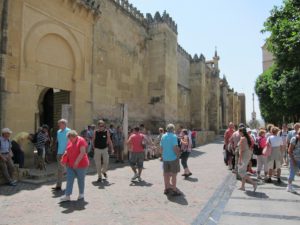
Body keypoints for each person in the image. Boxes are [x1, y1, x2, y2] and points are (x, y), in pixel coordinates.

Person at [60, 130, 89, 202]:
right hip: (70, 165)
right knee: (69, 179)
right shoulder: (70, 141)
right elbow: (67, 151)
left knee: (80, 180)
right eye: (69, 139)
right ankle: (67, 195)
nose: (70, 140)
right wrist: (64, 159)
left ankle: (81, 194)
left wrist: (76, 162)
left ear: (75, 136)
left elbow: (82, 152)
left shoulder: (81, 140)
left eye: (71, 138)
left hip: (81, 164)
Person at [160, 124, 181, 196]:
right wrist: (178, 155)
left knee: (166, 175)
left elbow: (161, 148)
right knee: (174, 175)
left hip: (165, 158)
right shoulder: (174, 136)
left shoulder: (163, 136)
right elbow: (175, 148)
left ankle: (166, 189)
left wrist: (162, 156)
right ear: (173, 129)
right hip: (173, 158)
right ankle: (174, 190)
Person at [52, 119, 71, 191]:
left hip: (67, 153)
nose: (58, 125)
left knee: (68, 170)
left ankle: (68, 185)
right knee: (59, 169)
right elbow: (58, 141)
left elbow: (71, 141)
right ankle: (58, 186)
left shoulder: (69, 131)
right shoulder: (58, 132)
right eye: (58, 124)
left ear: (64, 124)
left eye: (59, 124)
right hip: (59, 153)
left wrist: (68, 151)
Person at [237, 127, 257, 192]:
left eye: (239, 132)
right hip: (247, 155)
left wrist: (239, 159)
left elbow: (241, 150)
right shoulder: (248, 137)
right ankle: (243, 186)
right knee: (243, 171)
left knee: (240, 171)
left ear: (241, 132)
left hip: (244, 156)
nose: (238, 133)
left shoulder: (243, 138)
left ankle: (253, 183)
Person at [287, 129, 300, 193]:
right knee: (292, 173)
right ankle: (289, 187)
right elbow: (289, 151)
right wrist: (293, 160)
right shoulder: (294, 139)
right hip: (294, 159)